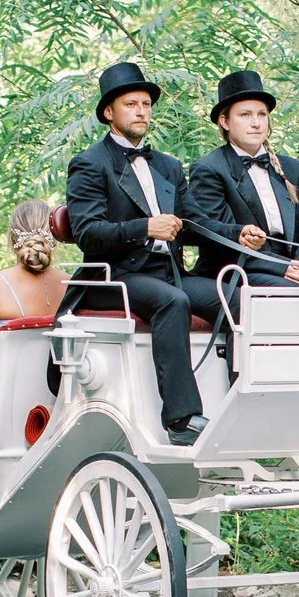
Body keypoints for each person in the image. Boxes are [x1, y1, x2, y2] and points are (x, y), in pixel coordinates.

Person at [61, 61, 221, 445]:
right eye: (131, 104)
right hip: (116, 275)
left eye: (146, 104)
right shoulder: (89, 164)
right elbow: (88, 233)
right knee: (173, 301)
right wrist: (145, 227)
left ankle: (239, 401)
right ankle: (181, 420)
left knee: (234, 298)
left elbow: (196, 221)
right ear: (109, 113)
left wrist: (243, 235)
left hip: (167, 270)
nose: (141, 111)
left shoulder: (166, 165)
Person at [184, 68, 299, 302]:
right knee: (291, 297)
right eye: (245, 115)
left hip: (288, 267)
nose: (256, 123)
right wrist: (280, 267)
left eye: (262, 114)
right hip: (236, 270)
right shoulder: (209, 168)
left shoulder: (292, 168)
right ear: (224, 121)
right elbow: (218, 238)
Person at [0, 200, 68, 379]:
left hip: (1, 401)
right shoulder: (71, 285)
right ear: (55, 236)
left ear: (12, 237)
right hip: (57, 400)